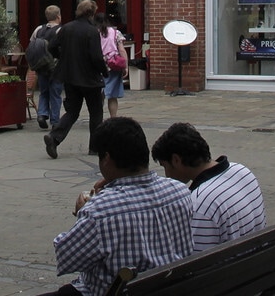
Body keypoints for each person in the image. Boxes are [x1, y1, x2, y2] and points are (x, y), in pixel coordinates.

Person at [47, 117, 193, 296]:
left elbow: (67, 259)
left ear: (106, 158)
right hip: (172, 288)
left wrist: (82, 213)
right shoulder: (180, 191)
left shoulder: (100, 211)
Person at [150, 122, 266, 253]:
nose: (166, 175)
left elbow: (197, 259)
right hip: (258, 259)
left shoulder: (200, 202)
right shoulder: (242, 171)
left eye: (165, 166)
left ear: (176, 160)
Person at [44, 0, 109, 160]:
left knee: (72, 111)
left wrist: (63, 57)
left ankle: (54, 137)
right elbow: (96, 57)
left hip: (70, 76)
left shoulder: (67, 28)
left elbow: (51, 46)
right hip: (90, 78)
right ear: (91, 13)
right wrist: (104, 71)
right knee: (96, 112)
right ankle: (94, 147)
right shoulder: (92, 31)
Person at [29, 5, 65, 128]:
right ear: (58, 16)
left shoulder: (38, 29)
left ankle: (42, 114)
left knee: (44, 92)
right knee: (55, 93)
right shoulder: (61, 30)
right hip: (56, 66)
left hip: (41, 66)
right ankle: (55, 121)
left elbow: (32, 45)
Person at [98, 15, 131, 119]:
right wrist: (126, 66)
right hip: (113, 65)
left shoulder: (93, 33)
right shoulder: (116, 33)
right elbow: (121, 50)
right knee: (112, 96)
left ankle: (97, 118)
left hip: (98, 65)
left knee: (98, 95)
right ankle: (113, 118)